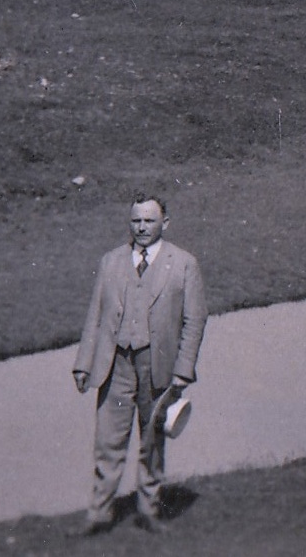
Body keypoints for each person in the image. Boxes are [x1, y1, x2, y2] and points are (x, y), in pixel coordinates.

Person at [71, 195, 206, 533]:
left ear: (165, 223)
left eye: (149, 221)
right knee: (108, 441)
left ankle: (149, 510)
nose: (142, 228)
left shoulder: (184, 263)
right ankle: (99, 514)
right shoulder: (111, 261)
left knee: (152, 441)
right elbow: (95, 315)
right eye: (136, 221)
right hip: (115, 364)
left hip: (157, 366)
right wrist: (83, 363)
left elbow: (194, 320)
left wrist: (183, 370)